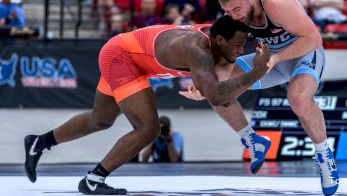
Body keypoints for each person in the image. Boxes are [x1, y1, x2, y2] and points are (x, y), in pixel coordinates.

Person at [24, 15, 271, 195]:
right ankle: (93, 180)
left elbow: (217, 87)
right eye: (238, 46)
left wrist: (208, 86)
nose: (241, 51)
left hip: (127, 52)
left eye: (244, 45)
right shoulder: (197, 49)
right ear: (219, 39)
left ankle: (39, 143)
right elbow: (218, 96)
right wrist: (257, 72)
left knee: (100, 119)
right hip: (122, 57)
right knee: (148, 128)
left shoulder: (217, 37)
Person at [182, 0, 339, 196]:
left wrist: (277, 58)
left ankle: (324, 156)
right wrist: (203, 86)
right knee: (216, 89)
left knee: (298, 99)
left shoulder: (274, 2)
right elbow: (219, 54)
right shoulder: (235, 14)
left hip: (304, 53)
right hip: (269, 58)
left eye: (236, 10)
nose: (233, 16)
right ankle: (253, 141)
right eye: (227, 12)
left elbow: (314, 39)